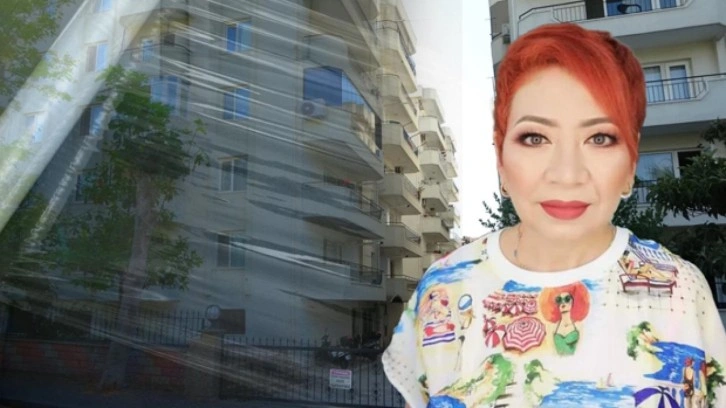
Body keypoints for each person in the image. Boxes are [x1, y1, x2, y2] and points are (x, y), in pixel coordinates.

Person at [381, 23, 726, 408]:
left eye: (599, 138)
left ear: (631, 163)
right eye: (535, 138)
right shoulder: (444, 288)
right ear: (501, 159)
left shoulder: (682, 290)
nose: (566, 174)